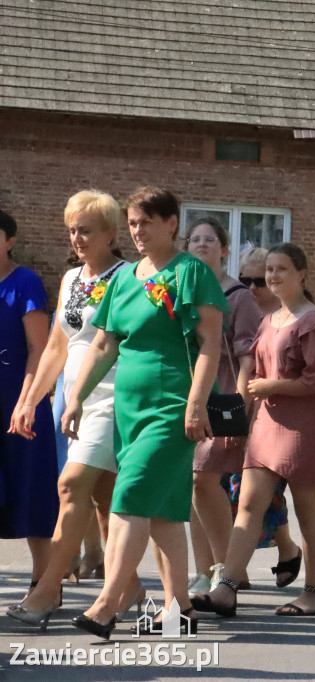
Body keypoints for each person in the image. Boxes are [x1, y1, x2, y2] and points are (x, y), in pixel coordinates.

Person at [63, 187, 227, 639]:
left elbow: (211, 344)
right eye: (132, 223)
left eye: (146, 222)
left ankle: (106, 604)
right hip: (129, 411)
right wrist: (77, 396)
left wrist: (196, 403)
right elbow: (104, 343)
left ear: (172, 223)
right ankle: (180, 611)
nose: (137, 231)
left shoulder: (190, 272)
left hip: (172, 406)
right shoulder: (124, 277)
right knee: (164, 516)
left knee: (130, 495)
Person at [8, 191, 141, 630]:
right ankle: (134, 593)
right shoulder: (69, 279)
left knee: (72, 484)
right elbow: (55, 347)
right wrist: (29, 400)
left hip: (113, 394)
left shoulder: (129, 276)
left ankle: (46, 591)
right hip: (70, 399)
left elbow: (119, 342)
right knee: (102, 497)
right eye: (71, 229)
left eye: (86, 229)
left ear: (109, 233)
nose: (77, 237)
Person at [191, 243, 315, 617]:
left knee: (307, 511)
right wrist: (241, 418)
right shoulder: (268, 320)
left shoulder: (312, 321)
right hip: (266, 426)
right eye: (269, 269)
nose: (272, 276)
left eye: (281, 269)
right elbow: (252, 374)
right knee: (247, 505)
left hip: (303, 428)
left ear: (302, 274)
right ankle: (226, 589)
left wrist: (274, 387)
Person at [183, 218, 261, 599]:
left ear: (224, 249)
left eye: (209, 239)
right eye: (194, 239)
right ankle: (205, 571)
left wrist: (240, 411)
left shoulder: (239, 296)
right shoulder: (184, 291)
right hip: (187, 399)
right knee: (194, 486)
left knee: (201, 481)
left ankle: (227, 569)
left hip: (223, 400)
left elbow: (249, 358)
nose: (201, 244)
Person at [0, 209, 59, 603]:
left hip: (19, 403)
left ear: (9, 240)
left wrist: (28, 399)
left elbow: (40, 349)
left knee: (32, 491)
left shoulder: (25, 283)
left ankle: (44, 583)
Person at [236, 246, 304, 587]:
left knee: (256, 492)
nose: (251, 287)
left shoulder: (293, 314)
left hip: (276, 419)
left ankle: (233, 571)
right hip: (238, 407)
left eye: (256, 280)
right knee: (230, 488)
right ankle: (280, 550)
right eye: (244, 279)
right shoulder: (241, 309)